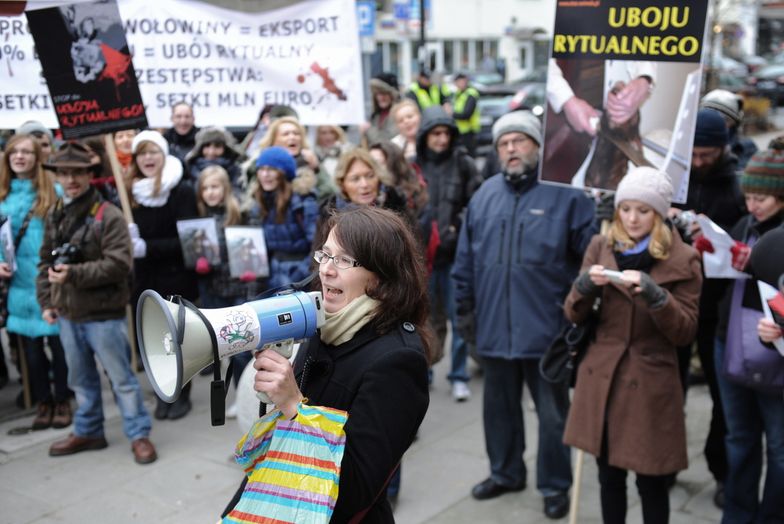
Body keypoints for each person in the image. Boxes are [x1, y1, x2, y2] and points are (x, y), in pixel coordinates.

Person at [222, 206, 431, 522]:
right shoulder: (326, 325)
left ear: (380, 277)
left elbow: (355, 489)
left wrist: (294, 405)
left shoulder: (398, 361)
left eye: (345, 260)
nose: (327, 270)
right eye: (325, 255)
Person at [452, 110, 596, 519]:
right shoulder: (485, 195)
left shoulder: (567, 195)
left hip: (547, 330)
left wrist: (602, 222)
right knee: (498, 411)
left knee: (552, 417)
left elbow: (590, 257)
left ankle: (555, 485)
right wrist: (465, 311)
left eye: (520, 141)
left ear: (538, 146)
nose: (511, 149)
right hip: (494, 327)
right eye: (503, 143)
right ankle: (505, 472)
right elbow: (465, 262)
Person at [563, 167, 701, 523]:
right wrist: (585, 286)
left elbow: (685, 332)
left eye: (643, 210)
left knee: (651, 482)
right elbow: (573, 314)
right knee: (609, 477)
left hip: (650, 384)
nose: (632, 218)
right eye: (626, 209)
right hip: (603, 378)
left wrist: (658, 299)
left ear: (658, 214)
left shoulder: (683, 258)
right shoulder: (600, 245)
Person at [37, 143, 156, 464]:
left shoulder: (109, 215)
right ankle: (89, 430)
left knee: (122, 380)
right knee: (80, 380)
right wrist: (46, 300)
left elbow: (119, 264)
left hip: (104, 314)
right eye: (64, 172)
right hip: (67, 314)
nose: (71, 179)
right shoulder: (54, 214)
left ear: (90, 174)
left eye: (77, 172)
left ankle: (139, 433)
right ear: (56, 176)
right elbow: (43, 263)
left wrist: (73, 274)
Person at [671, 108, 747, 506]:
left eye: (708, 155)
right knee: (669, 387)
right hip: (677, 300)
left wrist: (715, 234)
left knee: (723, 396)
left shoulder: (736, 187)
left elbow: (746, 240)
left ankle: (721, 470)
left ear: (722, 149)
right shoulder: (675, 180)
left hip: (720, 308)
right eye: (695, 154)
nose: (700, 162)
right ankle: (665, 462)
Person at [712, 149, 784, 523]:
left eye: (762, 198)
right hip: (732, 342)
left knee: (779, 447)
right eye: (749, 197)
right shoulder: (745, 224)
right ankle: (738, 513)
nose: (752, 205)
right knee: (739, 437)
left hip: (775, 352)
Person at [126, 130, 198, 421]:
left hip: (175, 278)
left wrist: (148, 247)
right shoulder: (130, 193)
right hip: (144, 281)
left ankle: (182, 394)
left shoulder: (181, 190)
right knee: (153, 342)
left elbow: (189, 240)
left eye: (152, 151)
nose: (147, 158)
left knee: (178, 341)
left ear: (163, 154)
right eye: (141, 153)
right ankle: (162, 394)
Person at [0, 133, 69, 429]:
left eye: (26, 152)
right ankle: (44, 401)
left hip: (49, 282)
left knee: (59, 345)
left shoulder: (53, 192)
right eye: (14, 152)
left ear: (37, 158)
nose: (20, 157)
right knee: (31, 351)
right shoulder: (2, 196)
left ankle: (64, 398)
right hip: (18, 284)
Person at [417, 105, 480, 402]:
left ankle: (458, 375)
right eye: (435, 133)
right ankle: (425, 373)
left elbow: (476, 203)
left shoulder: (464, 163)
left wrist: (457, 227)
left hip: (455, 258)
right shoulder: (414, 164)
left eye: (446, 133)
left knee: (459, 317)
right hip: (423, 258)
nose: (441, 139)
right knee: (424, 319)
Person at [194, 164, 253, 418]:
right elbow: (195, 248)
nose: (210, 192)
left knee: (241, 349)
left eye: (215, 186)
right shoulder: (199, 217)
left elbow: (251, 244)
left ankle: (244, 395)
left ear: (225, 188)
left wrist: (252, 266)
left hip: (238, 288)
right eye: (205, 188)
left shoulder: (240, 212)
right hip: (213, 290)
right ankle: (238, 394)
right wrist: (198, 259)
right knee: (225, 347)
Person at [247, 146, 318, 289]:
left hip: (300, 279)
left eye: (271, 169)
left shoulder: (303, 202)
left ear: (284, 173)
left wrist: (299, 276)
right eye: (261, 169)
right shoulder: (259, 203)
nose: (265, 174)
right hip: (273, 277)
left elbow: (318, 245)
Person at [314, 148, 406, 248]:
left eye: (370, 176)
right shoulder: (329, 214)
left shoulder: (395, 204)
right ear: (342, 184)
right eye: (355, 179)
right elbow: (319, 256)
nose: (364, 184)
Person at [701, 89, 758, 170]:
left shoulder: (745, 148)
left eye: (723, 119)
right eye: (706, 118)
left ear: (734, 124)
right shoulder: (690, 147)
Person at [184, 126, 244, 191]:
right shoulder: (188, 172)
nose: (211, 152)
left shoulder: (236, 172)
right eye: (207, 146)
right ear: (200, 149)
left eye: (217, 146)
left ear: (226, 149)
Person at [363, 72, 400, 146]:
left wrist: (368, 129)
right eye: (377, 94)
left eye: (384, 93)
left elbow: (386, 142)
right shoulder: (376, 115)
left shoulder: (398, 114)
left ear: (393, 95)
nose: (380, 97)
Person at [451, 73, 481, 157]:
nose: (458, 84)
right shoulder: (458, 94)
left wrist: (451, 114)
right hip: (460, 131)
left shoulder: (471, 94)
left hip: (470, 131)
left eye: (461, 81)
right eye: (457, 82)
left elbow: (466, 114)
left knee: (470, 156)